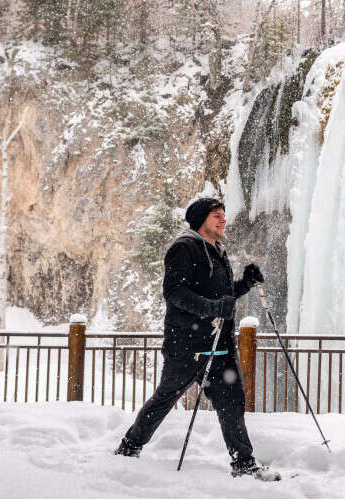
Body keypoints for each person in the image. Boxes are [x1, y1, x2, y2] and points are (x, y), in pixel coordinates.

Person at [114, 197, 279, 480]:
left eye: (223, 215)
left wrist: (245, 284)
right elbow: (175, 293)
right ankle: (129, 447)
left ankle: (243, 462)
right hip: (187, 347)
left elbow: (221, 298)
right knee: (165, 398)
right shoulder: (184, 248)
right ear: (201, 220)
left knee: (231, 402)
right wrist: (214, 309)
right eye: (216, 215)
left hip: (219, 345)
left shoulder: (218, 251)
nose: (223, 219)